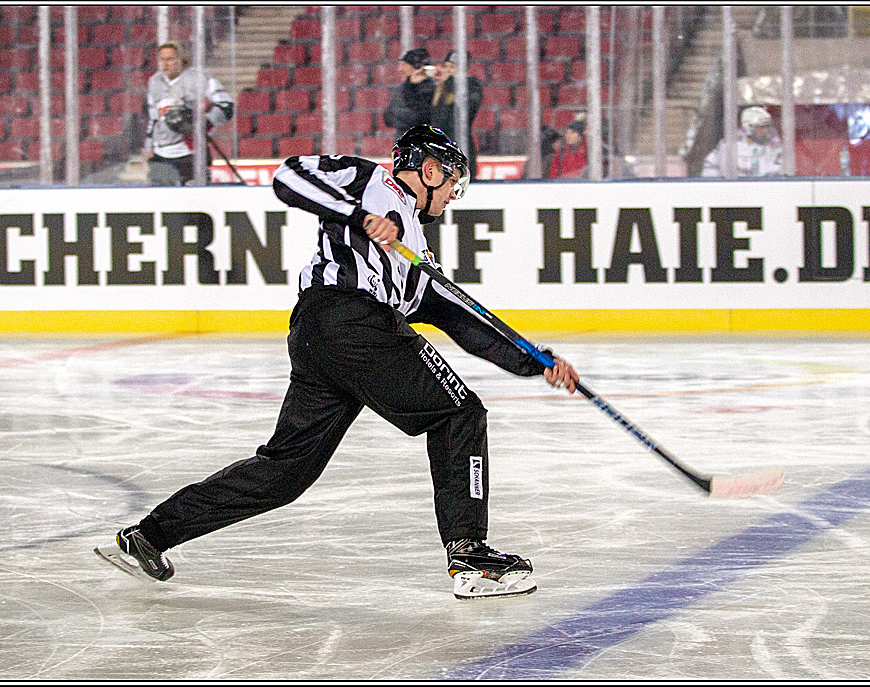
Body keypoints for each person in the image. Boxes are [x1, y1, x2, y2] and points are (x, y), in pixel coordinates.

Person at [95, 125, 580, 600]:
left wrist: (536, 361)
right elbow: (289, 176)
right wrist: (356, 216)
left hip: (325, 337)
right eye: (453, 182)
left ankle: (149, 536)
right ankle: (470, 557)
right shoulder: (371, 180)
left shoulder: (414, 244)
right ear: (429, 171)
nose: (454, 195)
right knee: (459, 413)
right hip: (349, 320)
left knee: (286, 471)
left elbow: (456, 318)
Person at [143, 41, 234, 186]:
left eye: (170, 59)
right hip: (162, 154)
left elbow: (226, 105)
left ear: (181, 60)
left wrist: (204, 123)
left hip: (190, 153)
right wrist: (149, 146)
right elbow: (154, 118)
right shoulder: (155, 82)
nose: (165, 64)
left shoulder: (198, 77)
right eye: (162, 59)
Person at [430, 50, 483, 180]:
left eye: (452, 67)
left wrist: (448, 81)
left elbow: (467, 110)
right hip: (440, 150)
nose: (448, 71)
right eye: (446, 67)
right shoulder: (440, 89)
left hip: (461, 149)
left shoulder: (471, 85)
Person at [701, 106, 783, 178]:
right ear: (748, 127)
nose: (766, 131)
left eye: (767, 126)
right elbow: (709, 169)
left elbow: (780, 173)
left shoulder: (775, 149)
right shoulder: (728, 147)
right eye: (761, 127)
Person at [384, 48, 435, 137]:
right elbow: (388, 117)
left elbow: (420, 118)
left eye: (404, 65)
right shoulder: (400, 89)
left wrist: (402, 117)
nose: (400, 69)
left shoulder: (432, 89)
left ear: (416, 66)